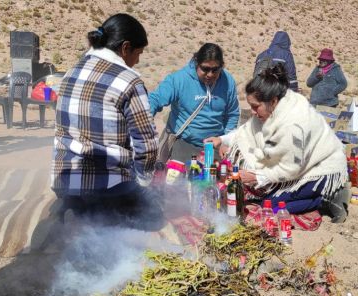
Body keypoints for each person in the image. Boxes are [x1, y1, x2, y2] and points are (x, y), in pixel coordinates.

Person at [50, 14, 160, 222]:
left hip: (66, 181)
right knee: (152, 214)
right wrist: (143, 182)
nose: (138, 61)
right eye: (139, 53)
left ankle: (74, 213)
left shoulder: (72, 71)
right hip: (108, 188)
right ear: (125, 48)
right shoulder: (129, 80)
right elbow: (147, 144)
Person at [205, 64, 349, 223]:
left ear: (272, 101)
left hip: (320, 169)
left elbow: (292, 168)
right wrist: (221, 139)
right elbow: (246, 131)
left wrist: (256, 176)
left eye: (255, 107)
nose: (252, 112)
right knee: (262, 198)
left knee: (271, 207)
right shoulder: (275, 106)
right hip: (298, 164)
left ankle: (326, 198)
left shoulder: (294, 123)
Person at [149, 43, 240, 162]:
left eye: (215, 70)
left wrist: (226, 141)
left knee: (212, 180)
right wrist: (143, 124)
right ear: (197, 63)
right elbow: (155, 100)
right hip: (183, 143)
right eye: (205, 69)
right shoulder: (179, 79)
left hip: (214, 146)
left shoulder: (228, 82)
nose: (210, 74)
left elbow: (232, 114)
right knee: (175, 179)